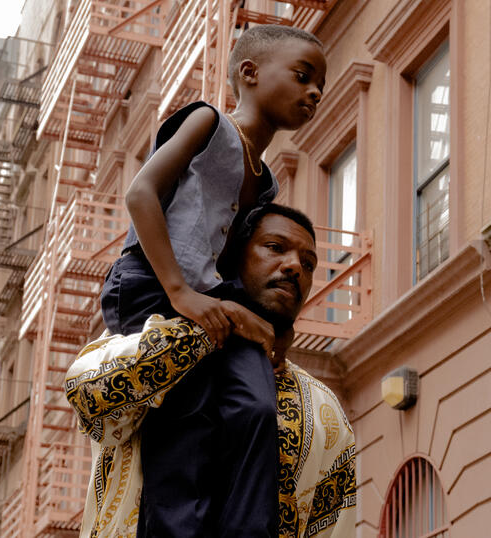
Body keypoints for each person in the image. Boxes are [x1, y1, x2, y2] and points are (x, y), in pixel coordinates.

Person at [98, 24, 327, 537]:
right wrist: (180, 293)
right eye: (303, 76)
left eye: (321, 86)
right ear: (249, 73)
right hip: (152, 282)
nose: (314, 92)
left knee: (257, 405)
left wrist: (268, 324)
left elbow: (232, 266)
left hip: (209, 294)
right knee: (191, 410)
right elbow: (140, 195)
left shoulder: (265, 181)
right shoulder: (208, 122)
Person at [67, 205, 356, 537]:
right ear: (232, 256)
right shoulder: (150, 338)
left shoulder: (325, 412)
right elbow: (87, 395)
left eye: (308, 264)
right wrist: (218, 324)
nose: (294, 267)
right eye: (275, 248)